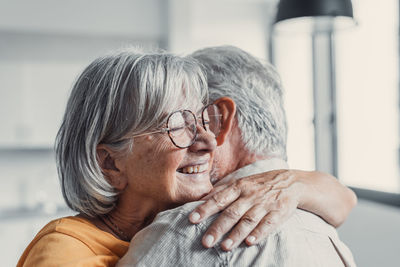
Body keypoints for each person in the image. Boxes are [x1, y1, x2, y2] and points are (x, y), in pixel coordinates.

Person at [17, 47, 354, 267]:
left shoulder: (204, 216)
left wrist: (298, 184)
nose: (207, 140)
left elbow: (343, 201)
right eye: (177, 124)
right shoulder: (62, 252)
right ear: (110, 163)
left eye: (202, 120)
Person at [117, 46, 356, 266]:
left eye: (187, 120)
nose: (195, 136)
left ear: (218, 120)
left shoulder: (186, 230)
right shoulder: (323, 230)